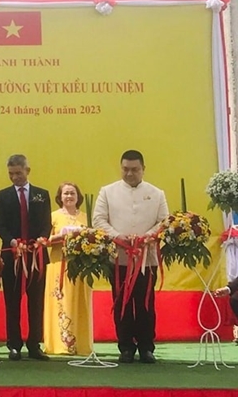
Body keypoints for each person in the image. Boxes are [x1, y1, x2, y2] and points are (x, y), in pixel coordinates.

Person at [93, 150, 168, 364]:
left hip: (146, 259)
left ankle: (146, 347)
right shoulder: (107, 192)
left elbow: (164, 221)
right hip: (119, 258)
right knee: (121, 303)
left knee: (145, 303)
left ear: (143, 169)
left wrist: (147, 237)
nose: (129, 173)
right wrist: (118, 236)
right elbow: (98, 220)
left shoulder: (157, 193)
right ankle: (125, 346)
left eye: (134, 169)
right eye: (125, 169)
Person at [0, 154, 52, 361]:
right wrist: (13, 242)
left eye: (18, 173)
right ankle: (14, 344)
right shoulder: (2, 196)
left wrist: (41, 240)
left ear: (27, 171)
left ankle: (34, 344)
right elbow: (0, 226)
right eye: (11, 174)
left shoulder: (41, 194)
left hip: (36, 256)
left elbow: (47, 223)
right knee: (12, 302)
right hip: (13, 256)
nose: (14, 177)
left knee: (36, 302)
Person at [43, 182, 92, 356]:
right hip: (59, 264)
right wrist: (61, 236)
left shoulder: (86, 217)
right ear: (60, 197)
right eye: (66, 193)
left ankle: (80, 343)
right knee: (61, 302)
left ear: (78, 197)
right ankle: (60, 344)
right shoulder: (53, 216)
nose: (69, 196)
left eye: (72, 193)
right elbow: (45, 240)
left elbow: (94, 238)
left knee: (80, 302)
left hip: (80, 266)